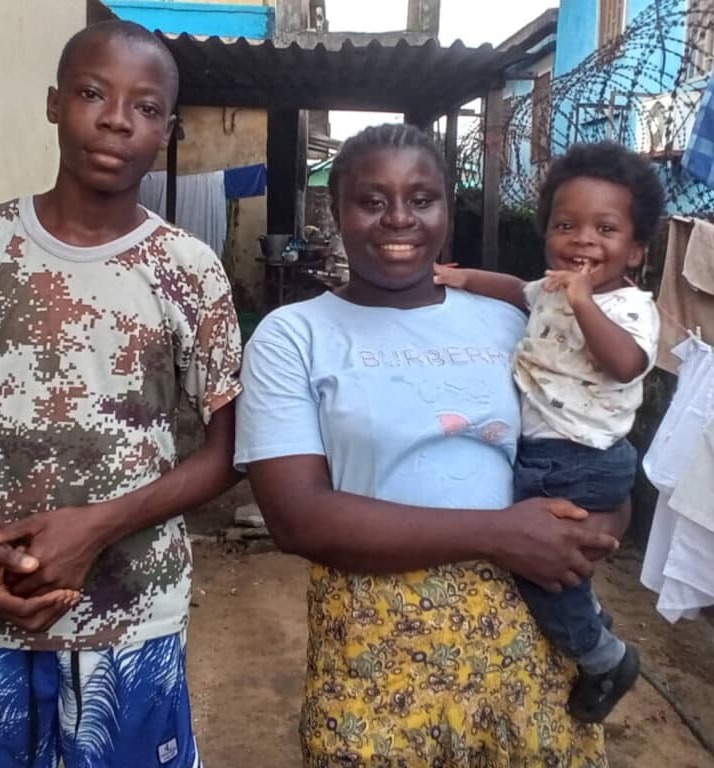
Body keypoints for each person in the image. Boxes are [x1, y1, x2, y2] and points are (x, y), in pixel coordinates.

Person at [0, 20, 242, 768]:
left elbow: (227, 452)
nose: (116, 119)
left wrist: (96, 529)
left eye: (145, 108)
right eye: (91, 93)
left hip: (134, 620)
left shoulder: (189, 269)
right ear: (53, 104)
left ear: (167, 131)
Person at [235, 124, 620, 766]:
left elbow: (589, 450)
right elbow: (296, 518)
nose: (398, 219)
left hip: (530, 633)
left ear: (446, 208)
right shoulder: (293, 336)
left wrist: (594, 527)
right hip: (373, 645)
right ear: (336, 212)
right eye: (371, 200)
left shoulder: (515, 323)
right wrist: (501, 535)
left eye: (421, 199)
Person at [434, 142, 664, 722]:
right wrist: (457, 276)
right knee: (537, 552)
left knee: (538, 564)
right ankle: (591, 622)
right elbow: (515, 288)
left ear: (635, 248)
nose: (583, 239)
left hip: (579, 457)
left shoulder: (630, 307)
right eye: (567, 225)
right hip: (552, 453)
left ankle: (601, 656)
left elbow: (626, 365)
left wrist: (586, 302)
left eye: (605, 228)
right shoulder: (552, 289)